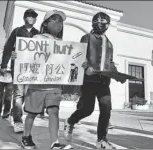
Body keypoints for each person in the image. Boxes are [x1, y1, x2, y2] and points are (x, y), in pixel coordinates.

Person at [12, 10, 73, 149]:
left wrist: (79, 64)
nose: (59, 23)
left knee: (54, 112)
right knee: (32, 114)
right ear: (45, 23)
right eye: (55, 19)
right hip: (36, 86)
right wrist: (17, 55)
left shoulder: (62, 43)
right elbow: (25, 57)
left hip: (55, 86)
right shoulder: (36, 39)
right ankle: (26, 136)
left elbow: (67, 63)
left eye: (61, 21)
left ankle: (55, 143)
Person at [63, 12, 126, 149]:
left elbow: (109, 62)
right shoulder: (87, 37)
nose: (99, 23)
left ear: (108, 24)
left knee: (106, 109)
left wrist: (117, 74)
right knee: (87, 109)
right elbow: (80, 55)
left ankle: (101, 140)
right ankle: (70, 121)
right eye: (96, 20)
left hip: (104, 82)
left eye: (102, 20)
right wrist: (86, 68)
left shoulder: (109, 43)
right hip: (89, 81)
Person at [0, 9, 39, 133]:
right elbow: (7, 48)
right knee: (18, 94)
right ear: (24, 17)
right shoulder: (17, 31)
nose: (32, 18)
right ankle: (17, 121)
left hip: (32, 68)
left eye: (34, 16)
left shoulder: (37, 33)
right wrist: (4, 64)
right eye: (29, 16)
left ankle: (14, 112)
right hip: (18, 67)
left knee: (26, 94)